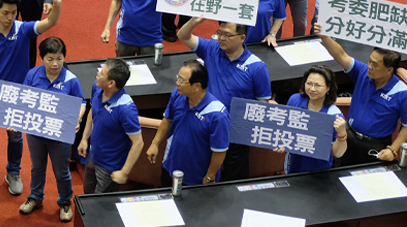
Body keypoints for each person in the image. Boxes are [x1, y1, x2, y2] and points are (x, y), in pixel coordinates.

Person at [0, 0, 62, 195]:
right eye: (5, 13)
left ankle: (13, 171)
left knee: (16, 136)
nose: (10, 17)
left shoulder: (23, 29)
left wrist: (57, 5)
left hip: (16, 95)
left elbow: (50, 22)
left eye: (13, 13)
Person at [177, 18, 271, 181]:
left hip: (236, 132)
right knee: (203, 170)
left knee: (234, 176)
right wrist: (195, 20)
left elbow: (262, 103)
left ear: (242, 37)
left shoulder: (256, 67)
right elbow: (183, 36)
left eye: (227, 35)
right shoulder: (211, 49)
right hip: (207, 125)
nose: (221, 38)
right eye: (219, 33)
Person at [315, 27, 407, 166]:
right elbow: (342, 56)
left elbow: (406, 126)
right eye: (370, 61)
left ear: (389, 70)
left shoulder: (402, 92)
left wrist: (393, 150)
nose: (369, 66)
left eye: (375, 65)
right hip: (349, 138)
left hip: (375, 146)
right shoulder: (363, 72)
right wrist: (325, 37)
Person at [19, 37, 85, 222]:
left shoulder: (70, 79)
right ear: (42, 58)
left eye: (59, 58)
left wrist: (77, 118)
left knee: (61, 171)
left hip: (60, 135)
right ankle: (35, 197)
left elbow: (81, 103)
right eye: (50, 59)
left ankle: (65, 202)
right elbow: (23, 99)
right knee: (37, 167)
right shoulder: (32, 75)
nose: (55, 63)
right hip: (36, 132)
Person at [146, 61, 229, 186]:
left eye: (182, 80)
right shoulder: (178, 94)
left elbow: (220, 150)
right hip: (170, 166)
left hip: (197, 177)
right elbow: (167, 119)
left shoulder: (217, 115)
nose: (177, 83)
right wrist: (155, 143)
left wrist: (210, 176)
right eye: (178, 77)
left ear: (197, 86)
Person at [78, 59, 143, 194]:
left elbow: (138, 143)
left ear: (111, 83)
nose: (98, 73)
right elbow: (93, 111)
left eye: (102, 73)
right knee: (87, 194)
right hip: (93, 155)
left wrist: (124, 172)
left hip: (109, 167)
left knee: (100, 203)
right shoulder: (97, 87)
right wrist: (84, 138)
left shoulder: (126, 110)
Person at [280, 66, 347, 174]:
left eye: (318, 85)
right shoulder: (295, 99)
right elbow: (284, 126)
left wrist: (342, 134)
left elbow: (337, 153)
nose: (312, 89)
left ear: (328, 88)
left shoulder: (334, 115)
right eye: (309, 83)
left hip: (319, 171)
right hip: (293, 166)